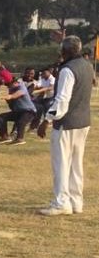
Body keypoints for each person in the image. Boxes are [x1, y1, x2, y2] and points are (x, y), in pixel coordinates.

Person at [37, 36, 95, 216]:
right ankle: (76, 201)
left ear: (67, 51)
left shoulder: (67, 70)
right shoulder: (87, 65)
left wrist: (47, 120)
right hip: (83, 121)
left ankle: (61, 202)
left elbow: (62, 100)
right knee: (76, 164)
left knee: (62, 163)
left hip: (67, 123)